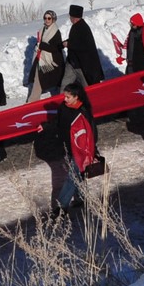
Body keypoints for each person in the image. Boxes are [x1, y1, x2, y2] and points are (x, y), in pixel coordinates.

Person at [52, 83, 97, 216]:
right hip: (68, 147)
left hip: (80, 150)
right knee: (78, 174)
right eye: (65, 96)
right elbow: (57, 123)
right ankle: (81, 198)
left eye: (68, 97)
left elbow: (91, 131)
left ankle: (61, 208)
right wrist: (46, 126)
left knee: (72, 177)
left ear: (76, 97)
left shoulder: (83, 111)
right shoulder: (63, 107)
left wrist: (92, 148)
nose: (65, 99)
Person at [62, 4, 105, 87]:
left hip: (81, 65)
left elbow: (83, 46)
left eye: (70, 16)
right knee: (65, 86)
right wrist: (66, 42)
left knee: (87, 88)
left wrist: (69, 44)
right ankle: (64, 99)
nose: (70, 18)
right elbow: (75, 40)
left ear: (74, 17)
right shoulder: (76, 26)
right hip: (71, 63)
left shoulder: (83, 28)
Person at [26, 10, 65, 102]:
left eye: (49, 18)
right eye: (45, 18)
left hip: (53, 62)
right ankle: (32, 101)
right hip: (42, 59)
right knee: (38, 79)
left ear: (53, 19)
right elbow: (40, 42)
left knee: (58, 81)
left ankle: (61, 98)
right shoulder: (42, 29)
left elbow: (56, 48)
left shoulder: (56, 32)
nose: (47, 20)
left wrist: (42, 45)